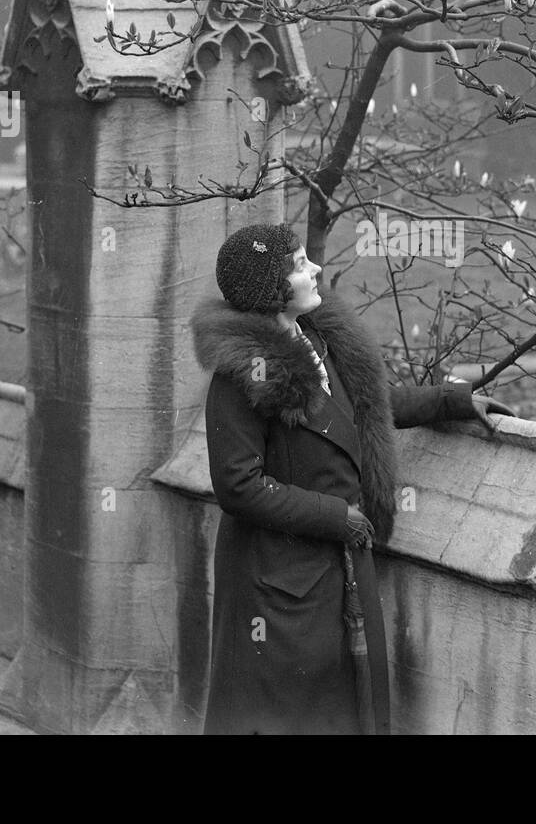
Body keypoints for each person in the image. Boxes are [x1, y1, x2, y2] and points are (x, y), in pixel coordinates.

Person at [190, 221, 514, 734]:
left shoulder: (314, 337)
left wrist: (449, 400)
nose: (315, 267)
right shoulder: (240, 378)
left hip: (334, 569)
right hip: (277, 586)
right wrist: (338, 516)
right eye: (299, 265)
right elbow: (239, 486)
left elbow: (363, 409)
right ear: (272, 289)